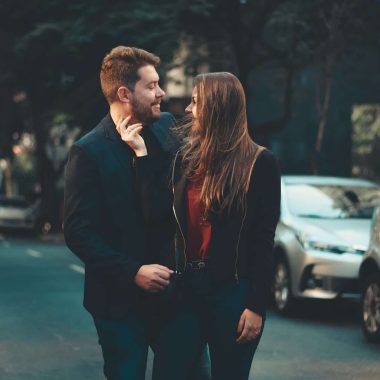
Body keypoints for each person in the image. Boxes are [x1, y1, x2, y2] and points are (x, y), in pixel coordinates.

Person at [63, 46, 210, 380]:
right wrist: (132, 271)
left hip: (175, 297)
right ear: (124, 93)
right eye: (152, 86)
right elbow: (77, 231)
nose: (162, 93)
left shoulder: (168, 128)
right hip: (118, 303)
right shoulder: (88, 151)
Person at [151, 72, 281, 380]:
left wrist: (256, 307)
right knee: (167, 371)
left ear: (216, 107)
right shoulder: (186, 158)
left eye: (196, 102)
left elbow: (264, 241)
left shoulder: (260, 163)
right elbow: (157, 214)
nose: (189, 110)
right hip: (187, 288)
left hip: (233, 292)